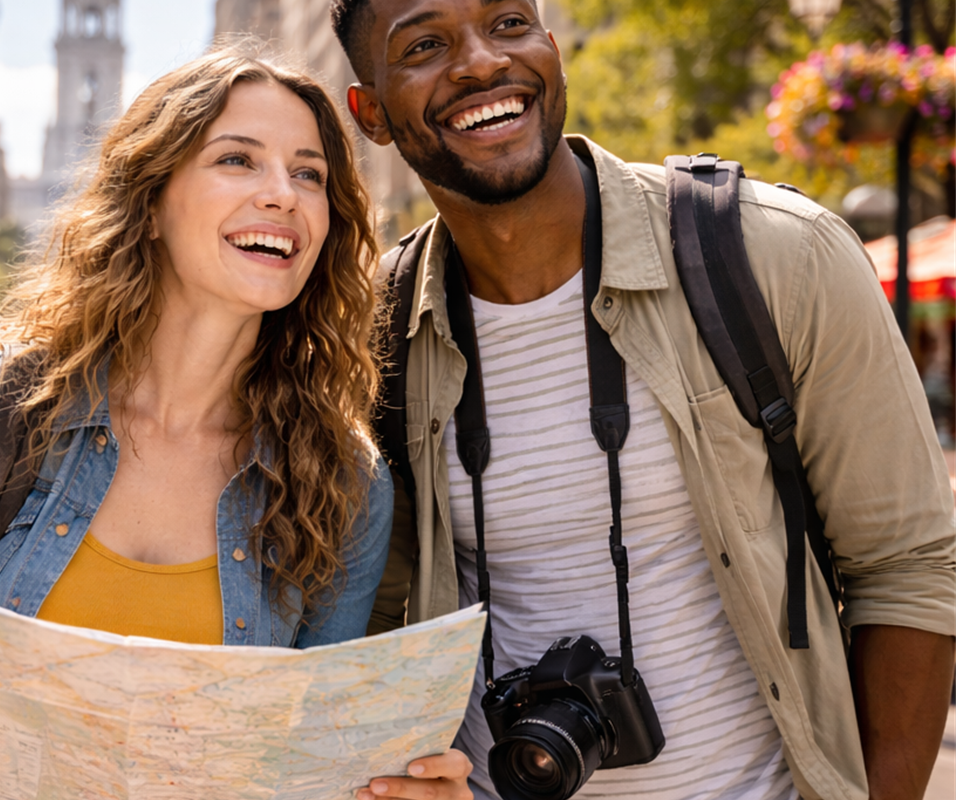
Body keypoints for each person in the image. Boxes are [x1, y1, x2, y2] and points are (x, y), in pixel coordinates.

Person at [329, 2, 956, 800]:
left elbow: (907, 568)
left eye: (510, 24)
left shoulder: (780, 254)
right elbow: (378, 623)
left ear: (554, 53)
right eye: (425, 44)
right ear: (372, 114)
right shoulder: (370, 332)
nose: (482, 62)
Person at [0, 50, 414, 799]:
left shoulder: (345, 480)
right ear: (152, 204)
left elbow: (315, 759)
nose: (282, 194)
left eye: (309, 173)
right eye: (237, 159)